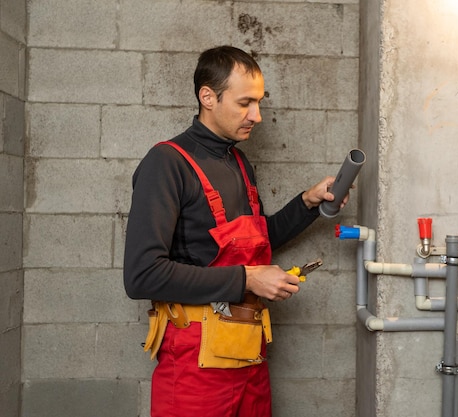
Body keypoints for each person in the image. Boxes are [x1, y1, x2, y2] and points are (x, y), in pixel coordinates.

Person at [123, 45, 349, 417]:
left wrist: (307, 203)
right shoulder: (166, 163)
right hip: (197, 366)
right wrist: (248, 279)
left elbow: (254, 244)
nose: (257, 116)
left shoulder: (239, 163)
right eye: (245, 103)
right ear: (208, 97)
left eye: (258, 102)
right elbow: (142, 275)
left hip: (249, 354)